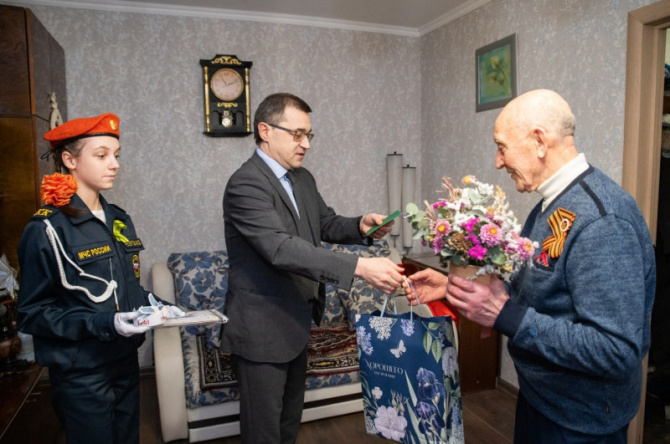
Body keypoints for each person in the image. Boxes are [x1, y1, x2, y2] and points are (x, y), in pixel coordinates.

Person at [404, 89, 656, 443]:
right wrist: (453, 288)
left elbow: (616, 350)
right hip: (542, 401)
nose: (498, 161)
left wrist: (505, 315)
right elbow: (538, 292)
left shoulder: (603, 221)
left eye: (502, 147)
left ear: (539, 141)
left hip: (580, 423)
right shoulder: (549, 206)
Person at [222, 92, 404, 443]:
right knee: (263, 434)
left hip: (296, 323)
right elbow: (281, 248)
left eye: (308, 135)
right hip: (261, 330)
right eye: (297, 134)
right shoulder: (246, 184)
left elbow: (324, 223)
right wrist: (360, 267)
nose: (306, 144)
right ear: (265, 130)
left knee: (288, 425)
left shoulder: (302, 178)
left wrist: (361, 226)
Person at [16, 113, 182, 444]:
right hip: (82, 374)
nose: (114, 164)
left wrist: (161, 306)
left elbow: (128, 288)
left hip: (125, 363)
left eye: (116, 155)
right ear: (69, 160)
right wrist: (106, 323)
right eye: (102, 155)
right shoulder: (47, 229)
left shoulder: (119, 219)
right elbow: (32, 313)